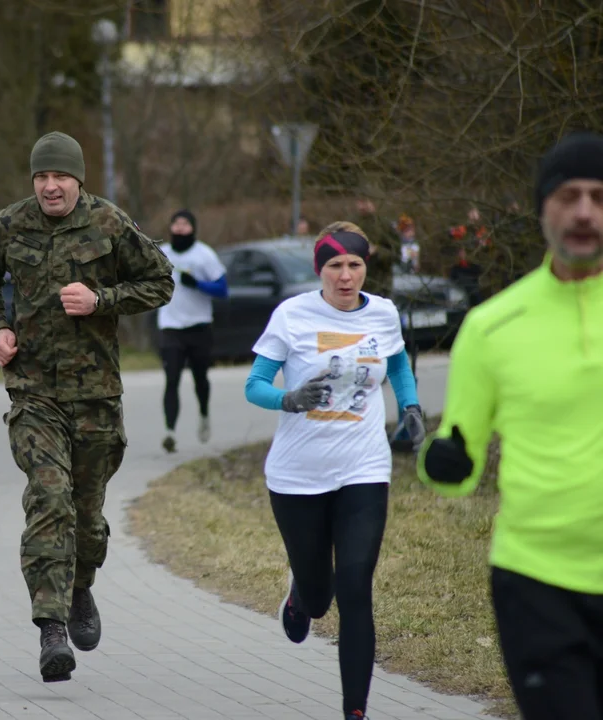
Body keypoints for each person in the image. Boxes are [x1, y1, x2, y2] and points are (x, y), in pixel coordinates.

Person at [0, 131, 174, 683]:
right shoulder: (10, 225)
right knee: (49, 499)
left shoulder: (108, 223)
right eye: (41, 177)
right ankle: (51, 630)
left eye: (60, 177)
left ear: (79, 180)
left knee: (86, 519)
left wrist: (101, 300)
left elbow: (160, 281)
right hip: (33, 391)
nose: (50, 186)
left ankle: (81, 588)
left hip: (96, 397)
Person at [417, 131, 603, 720]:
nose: (583, 212)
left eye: (599, 197)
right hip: (536, 581)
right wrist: (442, 462)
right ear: (541, 206)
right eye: (568, 195)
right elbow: (455, 463)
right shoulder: (493, 326)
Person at [244, 221, 426, 720]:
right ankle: (302, 592)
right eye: (334, 266)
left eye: (355, 265)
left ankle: (355, 712)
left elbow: (397, 364)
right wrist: (289, 397)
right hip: (297, 475)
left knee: (355, 586)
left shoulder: (384, 313)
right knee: (322, 599)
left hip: (363, 468)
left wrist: (410, 406)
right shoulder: (293, 315)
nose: (345, 277)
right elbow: (253, 384)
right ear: (318, 269)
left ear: (366, 266)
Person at [155, 209, 228, 453]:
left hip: (199, 326)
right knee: (171, 379)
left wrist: (198, 284)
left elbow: (223, 289)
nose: (180, 227)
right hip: (171, 326)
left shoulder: (204, 254)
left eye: (185, 224)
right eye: (176, 223)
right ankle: (169, 432)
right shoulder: (162, 253)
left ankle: (204, 414)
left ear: (193, 229)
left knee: (200, 378)